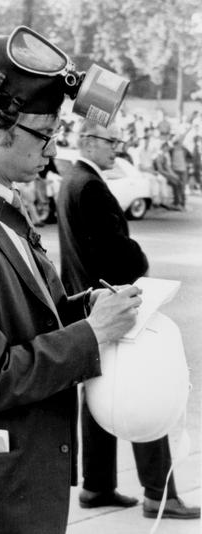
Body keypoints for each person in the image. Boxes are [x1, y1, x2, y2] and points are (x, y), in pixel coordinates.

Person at [0, 28, 142, 534]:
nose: (53, 148)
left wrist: (91, 308)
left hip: (27, 478)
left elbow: (32, 321)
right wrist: (92, 334)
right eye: (45, 133)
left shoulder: (1, 210)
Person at [56, 118, 200, 521]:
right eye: (109, 141)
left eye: (118, 140)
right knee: (143, 392)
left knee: (101, 391)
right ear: (86, 139)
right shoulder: (91, 185)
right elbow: (119, 252)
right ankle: (159, 493)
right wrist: (140, 260)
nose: (116, 147)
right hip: (113, 299)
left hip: (87, 300)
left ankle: (97, 485)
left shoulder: (72, 180)